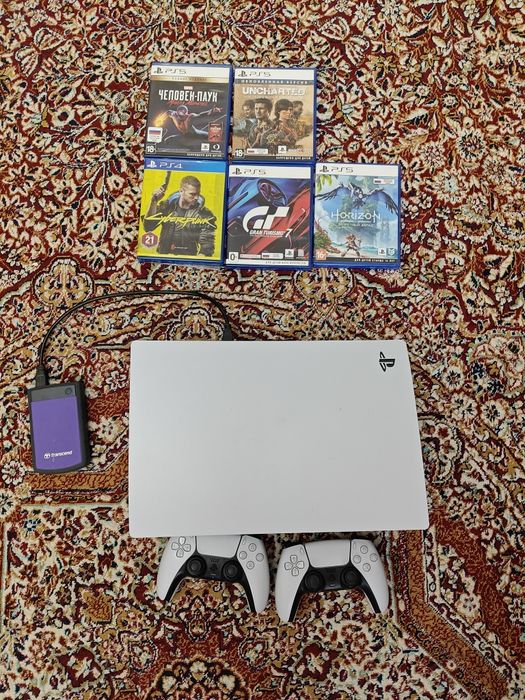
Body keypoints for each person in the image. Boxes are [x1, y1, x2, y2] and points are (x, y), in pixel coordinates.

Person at [143, 175, 217, 256]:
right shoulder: (167, 206)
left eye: (198, 194)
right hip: (164, 256)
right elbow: (148, 227)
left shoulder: (204, 214)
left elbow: (207, 242)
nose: (196, 197)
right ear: (181, 191)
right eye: (192, 194)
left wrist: (201, 256)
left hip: (188, 258)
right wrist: (154, 201)